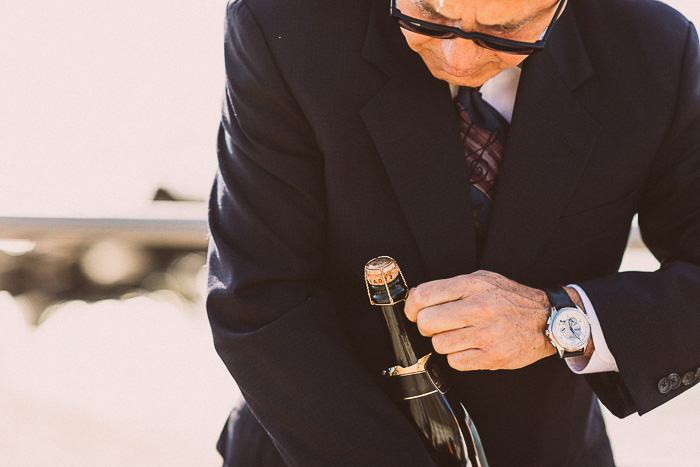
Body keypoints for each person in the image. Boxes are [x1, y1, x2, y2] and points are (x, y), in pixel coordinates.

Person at [207, 0, 700, 464]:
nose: (458, 57)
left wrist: (562, 320)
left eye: (503, 31)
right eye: (428, 14)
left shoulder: (657, 50)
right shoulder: (283, 22)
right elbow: (258, 293)